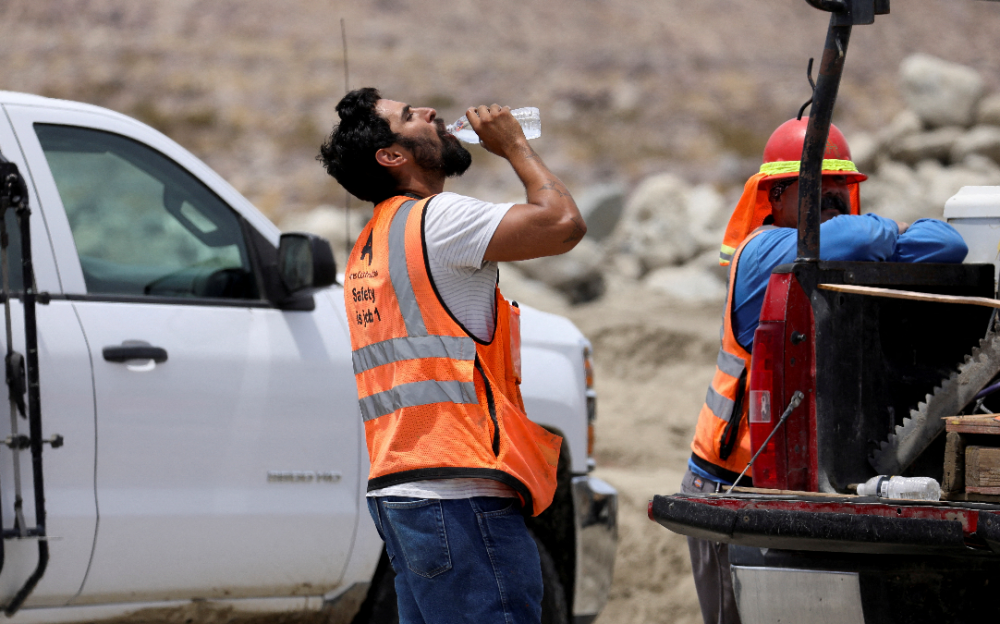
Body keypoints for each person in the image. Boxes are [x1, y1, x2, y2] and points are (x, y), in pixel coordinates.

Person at [682, 117, 968, 624]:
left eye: (841, 184)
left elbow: (949, 245)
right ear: (774, 196)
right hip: (731, 484)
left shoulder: (843, 248)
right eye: (815, 184)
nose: (832, 193)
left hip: (804, 479)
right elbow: (852, 239)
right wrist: (891, 231)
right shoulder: (761, 252)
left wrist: (879, 235)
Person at [318, 87, 586, 624]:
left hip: (404, 494)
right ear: (392, 156)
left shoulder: (372, 243)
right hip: (460, 500)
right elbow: (562, 225)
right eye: (410, 115)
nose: (431, 113)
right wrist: (515, 148)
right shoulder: (435, 220)